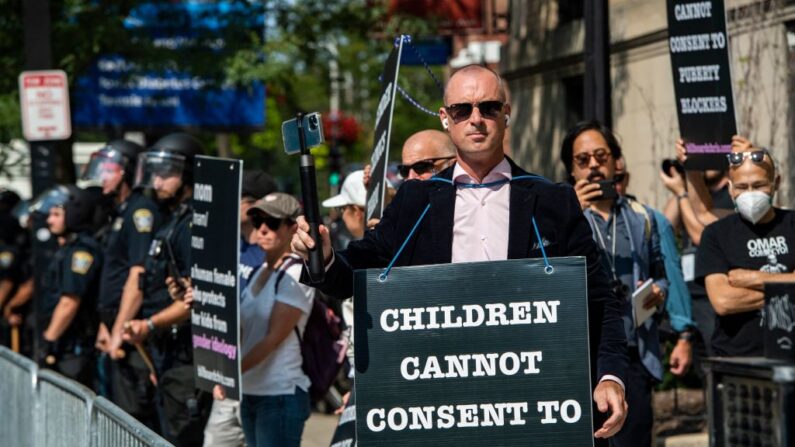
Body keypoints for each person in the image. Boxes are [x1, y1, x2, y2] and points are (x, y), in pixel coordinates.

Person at [292, 64, 629, 441]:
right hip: (441, 411)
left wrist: (609, 376)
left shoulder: (552, 201)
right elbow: (357, 270)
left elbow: (601, 301)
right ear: (445, 118)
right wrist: (322, 255)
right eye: (461, 110)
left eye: (488, 107)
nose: (476, 119)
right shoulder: (415, 200)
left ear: (506, 113)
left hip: (532, 407)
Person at [562, 121, 667, 447]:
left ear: (615, 161)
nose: (593, 166)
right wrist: (569, 213)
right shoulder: (560, 216)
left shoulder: (641, 217)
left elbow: (660, 272)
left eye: (600, 156)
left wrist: (658, 291)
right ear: (571, 170)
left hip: (632, 353)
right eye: (582, 160)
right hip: (579, 358)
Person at [121, 133, 209, 445]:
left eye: (166, 173)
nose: (157, 181)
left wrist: (148, 325)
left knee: (184, 434)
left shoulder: (192, 225)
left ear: (188, 174)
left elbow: (197, 298)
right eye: (155, 172)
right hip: (168, 354)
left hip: (187, 356)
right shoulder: (173, 220)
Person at [81, 139, 165, 422]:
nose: (101, 176)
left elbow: (137, 275)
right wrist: (106, 327)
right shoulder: (120, 212)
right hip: (116, 330)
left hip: (132, 336)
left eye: (108, 169)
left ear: (127, 172)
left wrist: (117, 332)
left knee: (134, 417)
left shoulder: (140, 212)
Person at [226, 192, 315, 447]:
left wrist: (232, 375)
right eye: (257, 222)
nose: (262, 229)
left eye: (272, 223)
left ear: (292, 228)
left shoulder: (297, 272)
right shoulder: (258, 272)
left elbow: (273, 338)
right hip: (250, 393)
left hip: (280, 395)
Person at [695, 138, 795, 356]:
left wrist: (754, 279)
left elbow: (735, 297)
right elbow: (723, 302)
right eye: (742, 187)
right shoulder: (715, 234)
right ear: (730, 189)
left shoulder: (791, 223)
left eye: (759, 185)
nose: (750, 194)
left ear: (776, 182)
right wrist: (788, 281)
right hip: (736, 359)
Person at [201, 169, 277, 447]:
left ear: (258, 204)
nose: (229, 204)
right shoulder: (231, 245)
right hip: (229, 377)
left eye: (238, 198)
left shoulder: (274, 253)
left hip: (263, 379)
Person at [614, 156, 695, 377]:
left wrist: (683, 335)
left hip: (637, 348)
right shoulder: (572, 217)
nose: (611, 185)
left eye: (617, 178)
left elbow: (671, 276)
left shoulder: (650, 219)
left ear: (627, 178)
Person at [660, 139, 737, 361]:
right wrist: (682, 185)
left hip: (712, 296)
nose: (707, 163)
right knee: (703, 371)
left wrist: (684, 195)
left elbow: (700, 235)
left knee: (718, 362)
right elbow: (664, 227)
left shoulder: (732, 194)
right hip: (689, 294)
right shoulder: (693, 193)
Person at [31, 185, 103, 387]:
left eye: (56, 214)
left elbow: (69, 302)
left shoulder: (81, 252)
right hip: (65, 346)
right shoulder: (67, 249)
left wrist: (48, 341)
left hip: (74, 348)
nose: (49, 220)